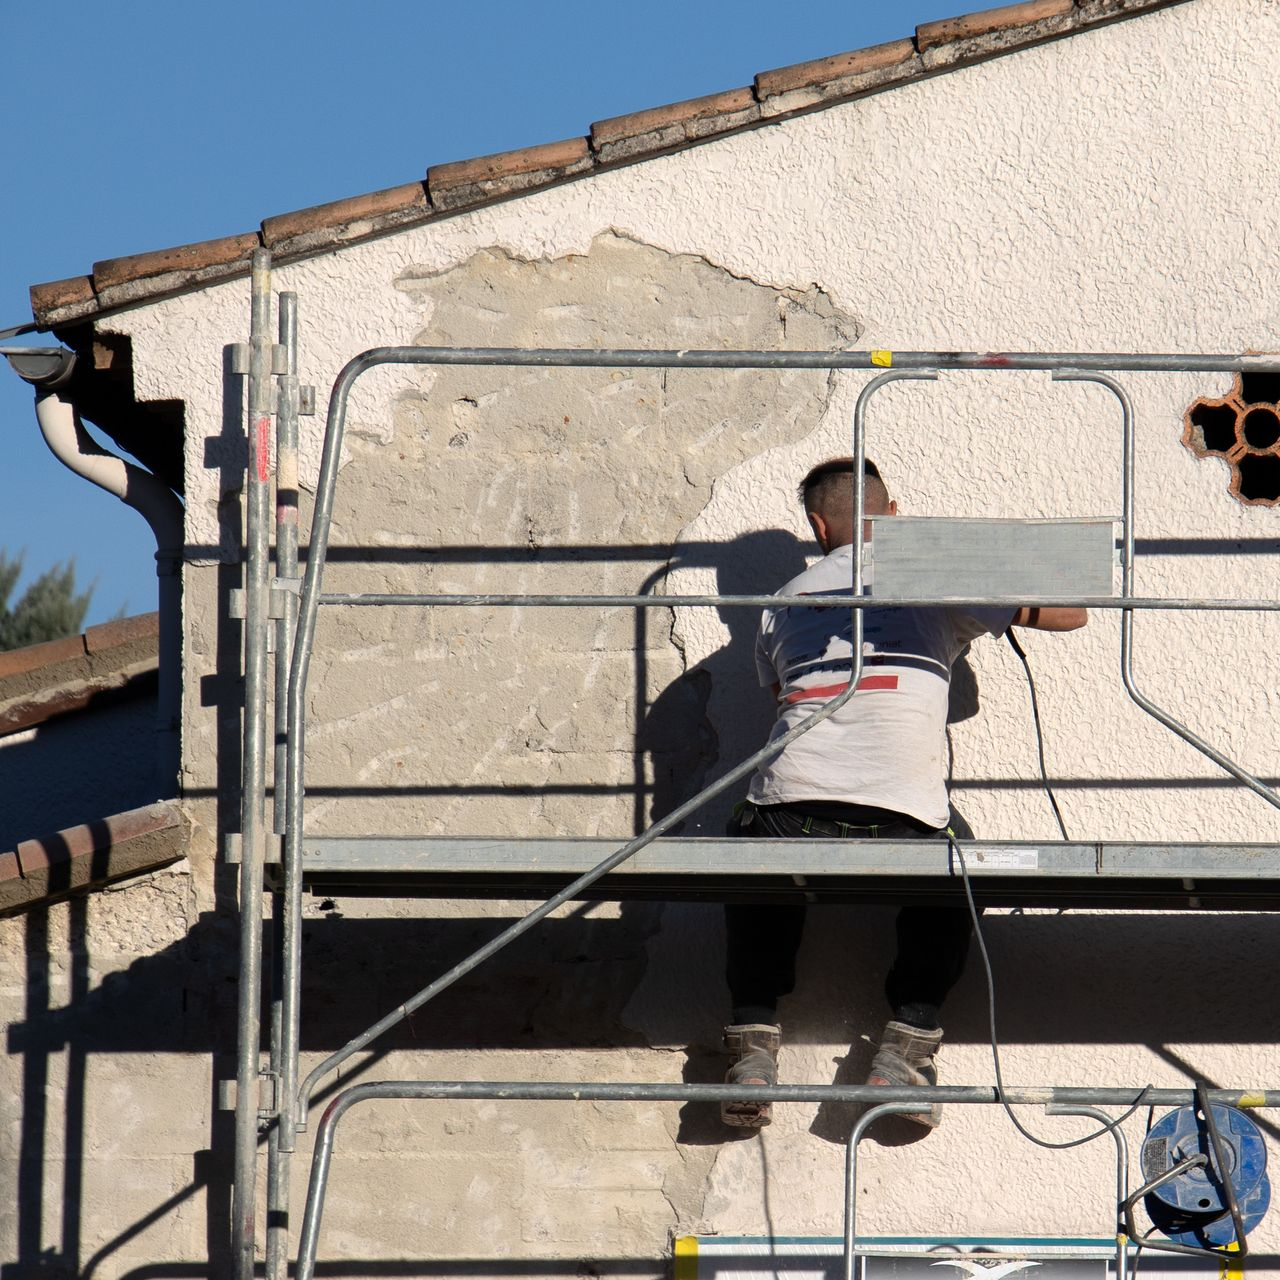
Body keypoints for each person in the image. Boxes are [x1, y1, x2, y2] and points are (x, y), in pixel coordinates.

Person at [721, 457, 1086, 1129]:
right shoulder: (929, 571)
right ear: (892, 516)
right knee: (958, 862)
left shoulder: (780, 603)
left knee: (749, 851)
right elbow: (1073, 612)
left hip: (789, 811)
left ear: (817, 524)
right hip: (902, 817)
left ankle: (751, 1047)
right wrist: (958, 565)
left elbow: (784, 700)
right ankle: (905, 1047)